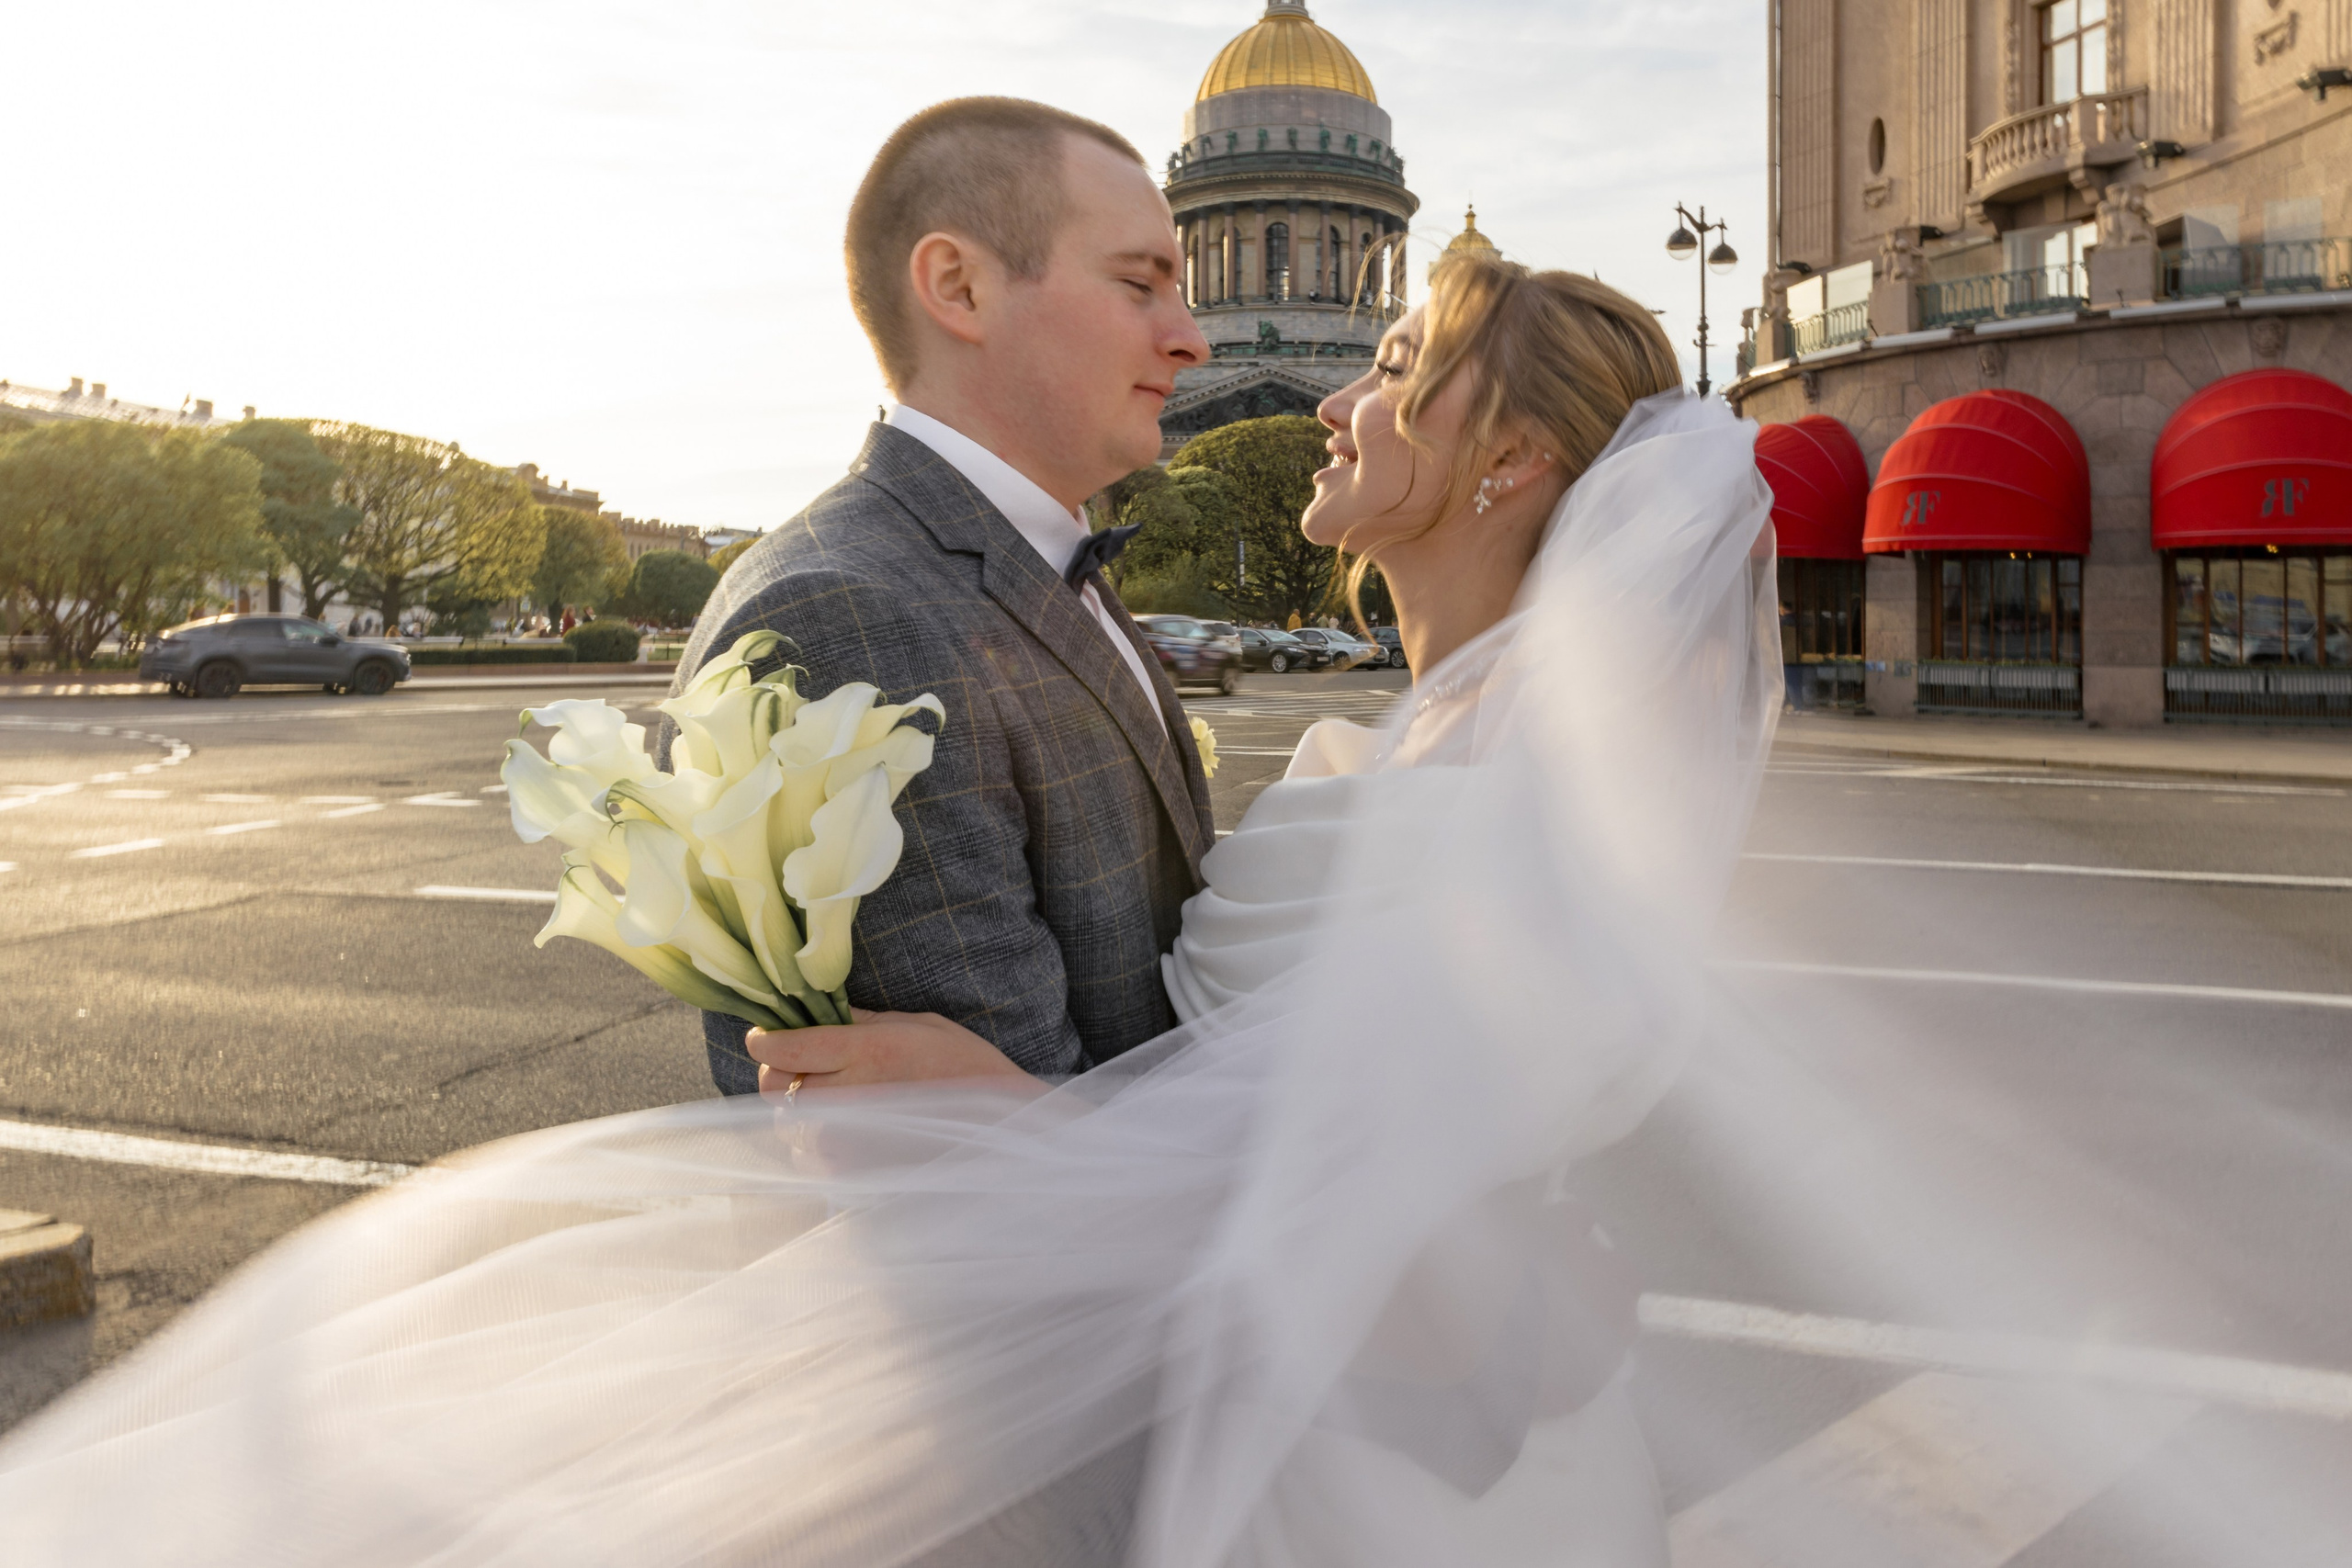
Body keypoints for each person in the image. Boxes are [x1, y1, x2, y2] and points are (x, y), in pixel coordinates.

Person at [0, 164, 1780, 1568]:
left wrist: (1030, 1133)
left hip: (1358, 1458)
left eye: (1396, 363)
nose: (1307, 383)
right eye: (1138, 278)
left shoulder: (1493, 771)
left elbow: (1378, 1187)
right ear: (961, 285)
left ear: (1513, 462)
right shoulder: (1394, 729)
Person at [669, 96, 1214, 1098]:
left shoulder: (1019, 557)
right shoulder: (849, 621)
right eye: (1140, 284)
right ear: (958, 287)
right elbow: (971, 1206)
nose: (1191, 340)